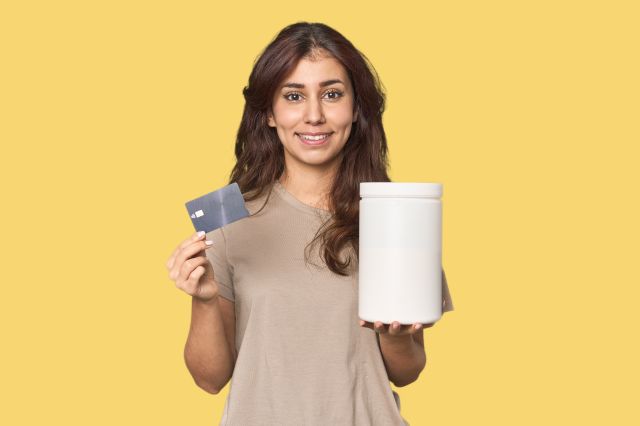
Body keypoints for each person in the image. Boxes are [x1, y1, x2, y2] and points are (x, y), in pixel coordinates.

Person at [166, 21, 454, 426]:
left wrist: (395, 334)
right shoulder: (230, 224)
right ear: (269, 112)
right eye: (294, 95)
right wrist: (205, 298)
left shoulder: (396, 218)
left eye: (332, 94)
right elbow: (209, 379)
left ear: (355, 109)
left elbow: (407, 372)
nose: (314, 115)